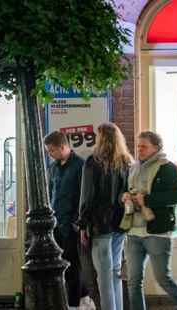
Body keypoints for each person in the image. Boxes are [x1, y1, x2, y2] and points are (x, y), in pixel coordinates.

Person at [124, 131, 177, 310]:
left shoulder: (168, 168)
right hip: (133, 231)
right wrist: (125, 196)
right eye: (138, 146)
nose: (139, 149)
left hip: (157, 232)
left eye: (144, 146)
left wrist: (147, 200)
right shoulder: (132, 168)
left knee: (163, 278)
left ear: (156, 148)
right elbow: (127, 189)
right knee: (133, 282)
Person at [78, 123, 132, 310]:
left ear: (101, 138)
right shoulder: (126, 161)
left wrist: (82, 225)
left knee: (104, 276)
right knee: (115, 272)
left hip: (99, 225)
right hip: (120, 224)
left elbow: (87, 197)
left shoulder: (93, 162)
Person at [45, 131, 92, 309]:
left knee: (73, 267)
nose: (50, 154)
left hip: (72, 226)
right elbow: (51, 194)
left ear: (63, 147)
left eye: (52, 151)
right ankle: (83, 299)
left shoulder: (81, 166)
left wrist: (77, 223)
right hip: (56, 226)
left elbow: (84, 197)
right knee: (62, 268)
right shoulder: (52, 167)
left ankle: (74, 304)